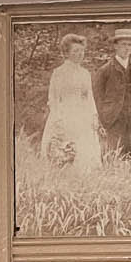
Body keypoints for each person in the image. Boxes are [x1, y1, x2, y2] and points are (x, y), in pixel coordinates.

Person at [40, 33, 100, 166]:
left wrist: (94, 115)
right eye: (76, 51)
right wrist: (57, 119)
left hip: (83, 115)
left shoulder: (85, 73)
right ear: (67, 53)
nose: (80, 54)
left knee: (85, 152)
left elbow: (89, 97)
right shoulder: (59, 73)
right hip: (64, 114)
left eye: (82, 51)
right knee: (64, 151)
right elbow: (53, 99)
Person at [93, 27, 131, 145]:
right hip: (114, 118)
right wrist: (103, 118)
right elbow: (98, 97)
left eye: (129, 45)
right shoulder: (105, 70)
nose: (126, 48)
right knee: (115, 151)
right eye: (123, 44)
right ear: (115, 46)